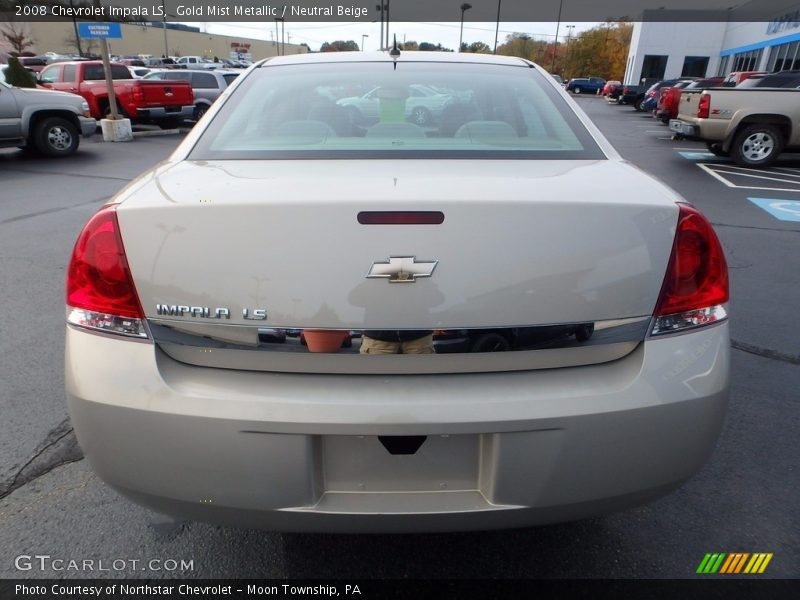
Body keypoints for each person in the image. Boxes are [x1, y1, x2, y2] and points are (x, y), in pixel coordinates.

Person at [360, 330, 434, 354]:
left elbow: (437, 298)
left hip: (419, 337)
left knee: (423, 382)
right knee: (374, 383)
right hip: (377, 338)